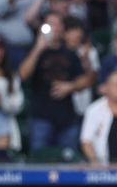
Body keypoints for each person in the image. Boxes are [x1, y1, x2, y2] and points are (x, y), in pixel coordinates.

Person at [18, 12, 91, 152]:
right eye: (51, 24)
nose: (55, 28)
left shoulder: (70, 53)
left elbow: (85, 80)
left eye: (58, 24)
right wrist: (39, 48)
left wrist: (71, 86)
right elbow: (22, 75)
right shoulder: (34, 51)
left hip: (67, 118)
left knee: (69, 164)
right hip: (41, 117)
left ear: (63, 29)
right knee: (39, 162)